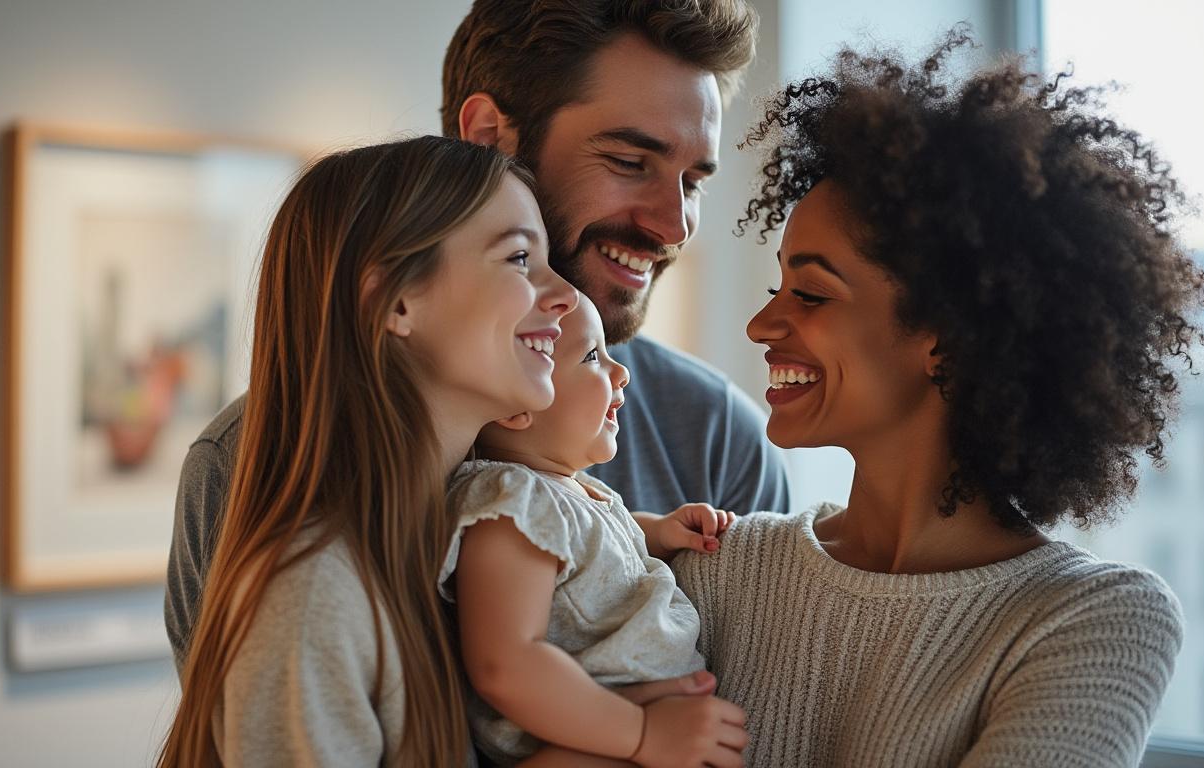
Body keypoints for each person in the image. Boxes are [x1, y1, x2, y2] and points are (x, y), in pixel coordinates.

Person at [165, 0, 790, 670]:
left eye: (692, 182)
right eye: (630, 161)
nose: (675, 227)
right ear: (489, 135)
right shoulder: (256, 462)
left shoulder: (716, 437)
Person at [670, 28, 1204, 766]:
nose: (762, 323)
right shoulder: (715, 567)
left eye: (810, 292)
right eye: (776, 288)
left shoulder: (1092, 619)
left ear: (949, 336)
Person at [157, 136, 579, 767]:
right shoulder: (309, 595)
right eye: (520, 258)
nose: (564, 294)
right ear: (397, 301)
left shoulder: (459, 545)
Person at [442, 295, 745, 767]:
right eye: (591, 356)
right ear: (514, 406)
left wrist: (658, 533)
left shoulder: (571, 492)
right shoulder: (511, 502)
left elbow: (592, 557)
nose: (620, 371)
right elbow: (505, 664)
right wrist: (642, 735)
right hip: (582, 738)